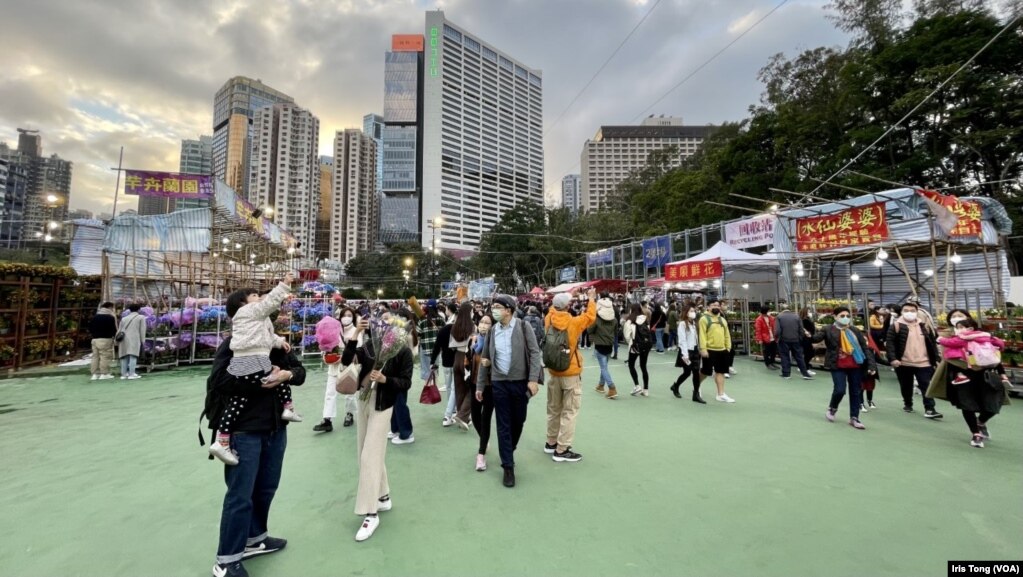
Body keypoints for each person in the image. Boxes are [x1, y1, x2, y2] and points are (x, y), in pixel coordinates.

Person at [207, 334, 306, 577]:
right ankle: (226, 560)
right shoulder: (235, 343)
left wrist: (286, 375)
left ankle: (255, 539)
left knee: (266, 487)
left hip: (274, 427)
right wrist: (259, 378)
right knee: (240, 495)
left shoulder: (274, 343)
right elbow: (219, 380)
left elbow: (299, 371)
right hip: (244, 430)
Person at [209, 275, 300, 465]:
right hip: (247, 424)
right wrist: (284, 284)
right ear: (242, 304)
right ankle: (287, 407)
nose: (259, 298)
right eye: (254, 295)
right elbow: (270, 303)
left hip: (271, 424)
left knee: (241, 399)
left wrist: (280, 344)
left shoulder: (261, 322)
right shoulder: (248, 312)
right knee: (272, 378)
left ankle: (222, 439)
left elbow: (270, 336)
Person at [341, 314, 413, 542]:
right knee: (365, 452)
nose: (381, 324)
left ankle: (370, 512)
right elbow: (346, 360)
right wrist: (355, 334)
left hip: (383, 406)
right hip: (363, 401)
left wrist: (384, 380)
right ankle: (383, 496)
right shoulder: (370, 345)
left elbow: (406, 382)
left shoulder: (402, 350)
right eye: (378, 320)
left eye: (387, 320)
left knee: (370, 456)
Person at [476, 294, 542, 488]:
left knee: (518, 420)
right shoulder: (493, 331)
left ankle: (509, 448)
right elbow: (485, 358)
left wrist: (532, 379)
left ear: (509, 310)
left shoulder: (523, 327)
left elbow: (535, 352)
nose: (494, 310)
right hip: (499, 383)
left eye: (498, 307)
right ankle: (508, 466)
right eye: (493, 306)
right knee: (503, 423)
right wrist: (480, 385)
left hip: (520, 382)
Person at [928, 313, 1009, 449]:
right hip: (962, 377)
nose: (959, 328)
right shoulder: (954, 339)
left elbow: (995, 356)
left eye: (962, 324)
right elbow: (948, 356)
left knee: (993, 405)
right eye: (957, 324)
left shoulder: (986, 339)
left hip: (986, 376)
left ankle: (981, 422)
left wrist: (1002, 374)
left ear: (972, 327)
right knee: (967, 405)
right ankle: (976, 433)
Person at [544, 288, 596, 462]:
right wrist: (591, 299)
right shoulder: (574, 323)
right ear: (567, 306)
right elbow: (590, 316)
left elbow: (553, 308)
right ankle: (562, 448)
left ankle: (551, 442)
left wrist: (562, 300)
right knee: (569, 411)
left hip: (553, 372)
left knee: (553, 408)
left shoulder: (549, 319)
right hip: (570, 371)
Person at [812, 306, 877, 430]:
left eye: (847, 316)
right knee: (840, 390)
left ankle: (854, 417)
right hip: (837, 365)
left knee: (856, 391)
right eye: (842, 316)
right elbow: (815, 338)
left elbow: (865, 348)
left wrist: (871, 364)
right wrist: (806, 332)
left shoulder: (855, 330)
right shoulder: (828, 329)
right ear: (835, 316)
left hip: (856, 364)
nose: (845, 318)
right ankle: (832, 408)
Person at [885, 301, 943, 419]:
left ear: (917, 312)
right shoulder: (896, 326)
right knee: (906, 385)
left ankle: (930, 409)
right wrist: (893, 359)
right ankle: (908, 403)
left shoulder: (923, 325)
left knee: (926, 385)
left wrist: (936, 358)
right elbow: (890, 344)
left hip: (924, 362)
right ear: (901, 312)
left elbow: (931, 343)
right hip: (903, 363)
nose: (909, 313)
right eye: (906, 311)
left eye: (912, 311)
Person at [314, 306, 362, 433]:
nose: (346, 318)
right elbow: (325, 346)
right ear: (340, 317)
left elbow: (358, 350)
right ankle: (327, 419)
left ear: (353, 317)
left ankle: (350, 414)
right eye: (344, 315)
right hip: (333, 367)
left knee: (349, 393)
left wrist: (342, 358)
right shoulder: (333, 330)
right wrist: (325, 356)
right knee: (330, 393)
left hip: (348, 367)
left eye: (349, 315)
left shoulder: (356, 331)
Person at [470, 313, 495, 471]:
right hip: (474, 382)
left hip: (490, 385)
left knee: (485, 418)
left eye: (488, 322)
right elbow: (471, 358)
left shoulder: (494, 341)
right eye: (482, 322)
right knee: (474, 415)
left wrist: (491, 361)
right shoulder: (475, 339)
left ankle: (481, 454)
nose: (484, 325)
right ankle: (485, 441)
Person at [389, 309, 418, 445]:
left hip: (403, 370)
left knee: (400, 402)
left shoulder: (408, 335)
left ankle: (406, 433)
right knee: (394, 402)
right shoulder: (393, 332)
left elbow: (412, 353)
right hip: (393, 369)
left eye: (401, 317)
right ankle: (395, 429)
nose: (398, 319)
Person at [698, 298, 734, 402]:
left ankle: (720, 394)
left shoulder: (722, 320)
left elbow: (727, 334)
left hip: (722, 350)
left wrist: (728, 347)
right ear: (708, 307)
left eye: (718, 305)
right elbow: (702, 335)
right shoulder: (704, 319)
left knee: (721, 372)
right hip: (709, 350)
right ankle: (697, 386)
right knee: (705, 372)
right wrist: (703, 349)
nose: (716, 307)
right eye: (713, 305)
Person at [448, 302, 476, 431]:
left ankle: (462, 415)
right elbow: (473, 345)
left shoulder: (454, 327)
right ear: (469, 312)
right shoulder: (473, 327)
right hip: (467, 358)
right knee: (471, 387)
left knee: (459, 388)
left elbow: (451, 345)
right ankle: (463, 415)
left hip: (456, 358)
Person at [430, 304, 458, 425]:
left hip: (446, 363)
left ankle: (451, 411)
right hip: (458, 362)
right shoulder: (461, 330)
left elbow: (436, 347)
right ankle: (451, 412)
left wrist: (432, 362)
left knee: (449, 387)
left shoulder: (443, 330)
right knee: (454, 388)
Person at [671, 304, 705, 403]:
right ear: (686, 312)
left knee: (696, 373)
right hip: (686, 351)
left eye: (694, 310)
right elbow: (682, 340)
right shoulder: (682, 324)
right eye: (691, 310)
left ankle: (696, 394)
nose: (693, 312)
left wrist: (699, 348)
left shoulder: (694, 323)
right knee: (687, 372)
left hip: (695, 351)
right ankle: (676, 386)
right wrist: (685, 355)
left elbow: (696, 338)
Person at [589, 293, 618, 400]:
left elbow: (589, 330)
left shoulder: (597, 320)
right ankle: (601, 385)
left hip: (600, 345)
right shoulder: (614, 320)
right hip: (609, 346)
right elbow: (616, 333)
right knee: (604, 367)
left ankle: (612, 388)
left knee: (604, 368)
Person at [622, 303, 653, 396]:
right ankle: (646, 389)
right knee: (644, 366)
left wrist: (631, 342)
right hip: (645, 345)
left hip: (634, 346)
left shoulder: (629, 321)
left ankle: (637, 385)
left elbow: (627, 336)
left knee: (631, 365)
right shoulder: (645, 319)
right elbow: (648, 331)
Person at [776, 306, 814, 380]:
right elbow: (801, 329)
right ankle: (805, 374)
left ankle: (786, 374)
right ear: (790, 310)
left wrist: (777, 338)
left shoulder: (779, 317)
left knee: (785, 357)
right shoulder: (797, 316)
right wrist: (800, 338)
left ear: (782, 310)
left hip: (784, 340)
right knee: (799, 357)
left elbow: (777, 330)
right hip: (796, 340)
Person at [87, 301, 117, 380]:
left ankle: (94, 374)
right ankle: (104, 373)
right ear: (110, 307)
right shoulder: (110, 317)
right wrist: (114, 337)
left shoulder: (95, 317)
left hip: (95, 339)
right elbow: (113, 329)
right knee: (105, 357)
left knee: (95, 357)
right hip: (106, 339)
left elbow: (90, 328)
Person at [117, 303, 147, 380]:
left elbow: (119, 330)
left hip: (123, 339)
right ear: (139, 309)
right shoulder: (141, 317)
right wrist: (143, 341)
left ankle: (123, 374)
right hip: (134, 338)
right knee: (133, 355)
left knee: (124, 356)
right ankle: (132, 373)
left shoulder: (124, 318)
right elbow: (142, 330)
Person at [416, 302, 443, 384]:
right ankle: (435, 390)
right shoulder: (440, 319)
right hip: (437, 349)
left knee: (426, 372)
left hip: (425, 348)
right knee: (435, 370)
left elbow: (418, 334)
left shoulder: (422, 320)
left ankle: (427, 391)